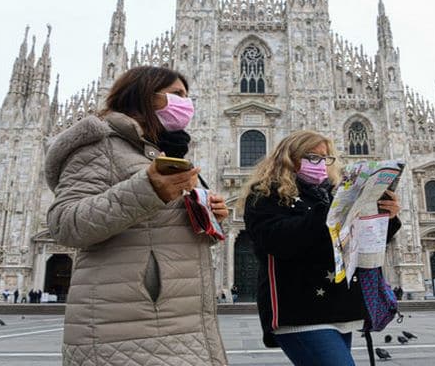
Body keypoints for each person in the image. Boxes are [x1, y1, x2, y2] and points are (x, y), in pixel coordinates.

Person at [45, 66, 228, 365]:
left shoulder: (166, 152)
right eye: (177, 95)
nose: (187, 104)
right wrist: (148, 190)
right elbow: (64, 223)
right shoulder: (101, 145)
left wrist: (210, 216)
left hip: (182, 318)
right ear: (145, 97)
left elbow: (157, 228)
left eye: (187, 96)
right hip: (125, 323)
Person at [241, 130, 401, 366]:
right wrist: (333, 209)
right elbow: (276, 240)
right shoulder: (265, 195)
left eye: (325, 158)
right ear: (290, 158)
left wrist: (384, 217)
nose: (321, 164)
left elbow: (354, 246)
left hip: (338, 307)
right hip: (299, 310)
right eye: (312, 157)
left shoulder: (329, 193)